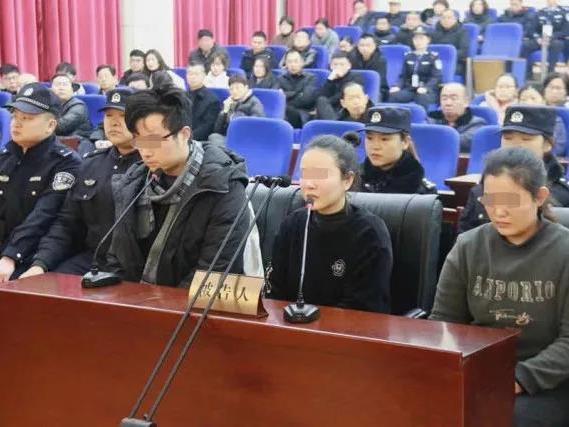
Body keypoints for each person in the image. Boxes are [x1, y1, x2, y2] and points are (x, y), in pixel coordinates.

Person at [431, 146, 569, 427]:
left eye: (511, 201)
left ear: (540, 197)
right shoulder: (468, 246)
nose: (499, 211)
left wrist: (518, 378)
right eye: (490, 200)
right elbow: (444, 323)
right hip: (476, 371)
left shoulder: (564, 251)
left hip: (545, 380)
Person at [103, 86, 250, 287]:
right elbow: (118, 257)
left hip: (189, 301)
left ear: (184, 134)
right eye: (139, 140)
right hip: (135, 297)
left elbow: (214, 272)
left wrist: (155, 303)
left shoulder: (223, 186)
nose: (146, 151)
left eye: (154, 140)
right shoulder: (135, 181)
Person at [20, 88, 140, 277]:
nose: (114, 122)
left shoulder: (153, 165)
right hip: (94, 260)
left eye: (123, 116)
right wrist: (41, 263)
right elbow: (67, 223)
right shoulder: (91, 164)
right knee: (46, 286)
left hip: (136, 265)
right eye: (109, 115)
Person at [267, 133, 392, 313]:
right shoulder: (293, 225)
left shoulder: (369, 233)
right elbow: (275, 293)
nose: (309, 184)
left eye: (320, 175)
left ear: (347, 180)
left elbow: (363, 309)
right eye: (305, 174)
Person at [0, 83, 82, 280]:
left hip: (35, 255)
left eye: (27, 118)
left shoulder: (66, 163)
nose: (16, 123)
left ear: (50, 125)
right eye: (15, 116)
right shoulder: (5, 157)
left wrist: (11, 256)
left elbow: (43, 216)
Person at [459, 105, 569, 233]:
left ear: (547, 144)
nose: (515, 145)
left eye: (526, 139)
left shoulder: (562, 194)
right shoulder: (483, 189)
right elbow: (465, 237)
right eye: (508, 138)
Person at [358, 106, 436, 194]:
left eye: (384, 139)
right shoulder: (354, 179)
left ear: (405, 142)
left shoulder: (421, 191)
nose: (375, 146)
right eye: (369, 138)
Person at [389, 26, 442, 109]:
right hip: (410, 89)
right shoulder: (408, 56)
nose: (418, 41)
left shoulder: (433, 57)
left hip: (428, 90)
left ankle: (423, 117)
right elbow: (403, 76)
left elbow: (436, 77)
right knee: (394, 95)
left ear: (428, 40)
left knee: (421, 97)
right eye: (416, 39)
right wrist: (397, 86)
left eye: (421, 38)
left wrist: (426, 88)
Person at [428, 83, 486, 152]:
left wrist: (432, 139)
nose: (448, 103)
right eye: (444, 99)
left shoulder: (477, 123)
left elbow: (460, 143)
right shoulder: (431, 120)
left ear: (466, 102)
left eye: (453, 99)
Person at [518, 83, 566, 156]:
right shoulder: (515, 121)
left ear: (543, 100)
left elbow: (558, 148)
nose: (528, 102)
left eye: (533, 98)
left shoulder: (555, 121)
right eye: (523, 99)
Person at [50, 73, 93, 154]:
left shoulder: (78, 106)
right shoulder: (50, 105)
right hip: (57, 143)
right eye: (57, 84)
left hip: (78, 144)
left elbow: (60, 127)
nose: (61, 88)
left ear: (72, 90)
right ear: (51, 90)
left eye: (65, 84)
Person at [315, 51, 364, 119]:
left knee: (322, 101)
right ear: (331, 66)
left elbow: (343, 96)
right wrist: (330, 80)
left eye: (342, 64)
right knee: (321, 100)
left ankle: (333, 124)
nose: (338, 67)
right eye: (335, 64)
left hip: (347, 110)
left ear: (349, 66)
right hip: (330, 109)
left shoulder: (356, 77)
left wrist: (326, 103)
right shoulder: (330, 77)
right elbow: (321, 96)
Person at [524, 0, 567, 74]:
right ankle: (528, 74)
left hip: (555, 40)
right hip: (541, 39)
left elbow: (565, 31)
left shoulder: (564, 13)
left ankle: (550, 73)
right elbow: (532, 29)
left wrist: (551, 37)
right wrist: (537, 38)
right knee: (526, 45)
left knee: (557, 45)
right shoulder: (541, 12)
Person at [278, 49, 318, 128]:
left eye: (296, 61)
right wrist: (298, 94)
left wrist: (287, 96)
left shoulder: (310, 78)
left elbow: (306, 99)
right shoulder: (280, 79)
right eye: (290, 62)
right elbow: (279, 99)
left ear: (302, 62)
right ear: (286, 64)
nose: (293, 64)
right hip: (285, 113)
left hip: (302, 113)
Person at [186, 62, 221, 142]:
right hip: (179, 138)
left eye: (196, 74)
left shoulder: (212, 100)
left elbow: (206, 128)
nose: (192, 77)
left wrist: (186, 138)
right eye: (190, 74)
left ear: (204, 76)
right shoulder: (181, 96)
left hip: (198, 141)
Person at [349, 33, 388, 101]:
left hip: (377, 89)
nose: (364, 48)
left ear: (375, 46)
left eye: (368, 45)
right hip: (355, 88)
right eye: (362, 45)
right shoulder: (352, 57)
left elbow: (379, 82)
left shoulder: (381, 60)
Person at [431, 9, 470, 76]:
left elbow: (464, 51)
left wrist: (447, 55)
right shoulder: (435, 32)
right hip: (436, 62)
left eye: (449, 18)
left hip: (454, 62)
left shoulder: (462, 32)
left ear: (455, 19)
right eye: (443, 18)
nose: (446, 20)